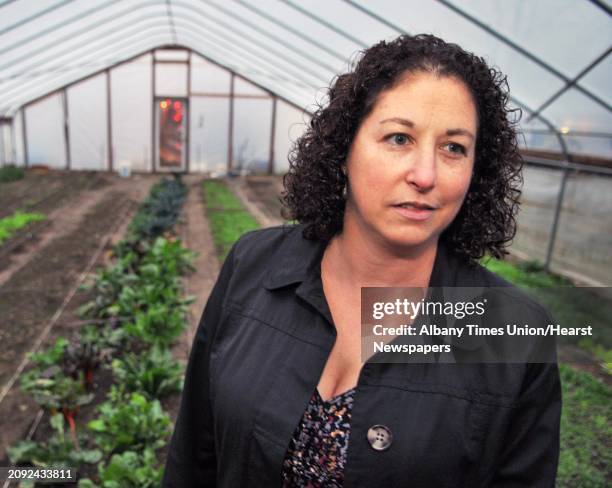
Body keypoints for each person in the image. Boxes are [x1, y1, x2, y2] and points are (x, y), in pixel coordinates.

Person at [163, 34, 561, 487]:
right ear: (344, 149)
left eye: (454, 148)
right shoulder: (252, 264)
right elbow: (194, 454)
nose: (425, 175)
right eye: (398, 138)